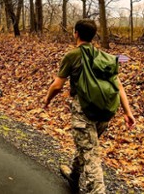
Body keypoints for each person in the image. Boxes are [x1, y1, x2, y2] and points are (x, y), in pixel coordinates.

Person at [44, 19, 136, 194]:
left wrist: (47, 100)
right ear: (93, 36)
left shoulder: (73, 55)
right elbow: (119, 85)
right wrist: (128, 112)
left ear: (76, 33)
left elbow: (57, 86)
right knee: (87, 146)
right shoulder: (105, 57)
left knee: (91, 155)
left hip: (84, 112)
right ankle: (74, 175)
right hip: (105, 111)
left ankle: (97, 190)